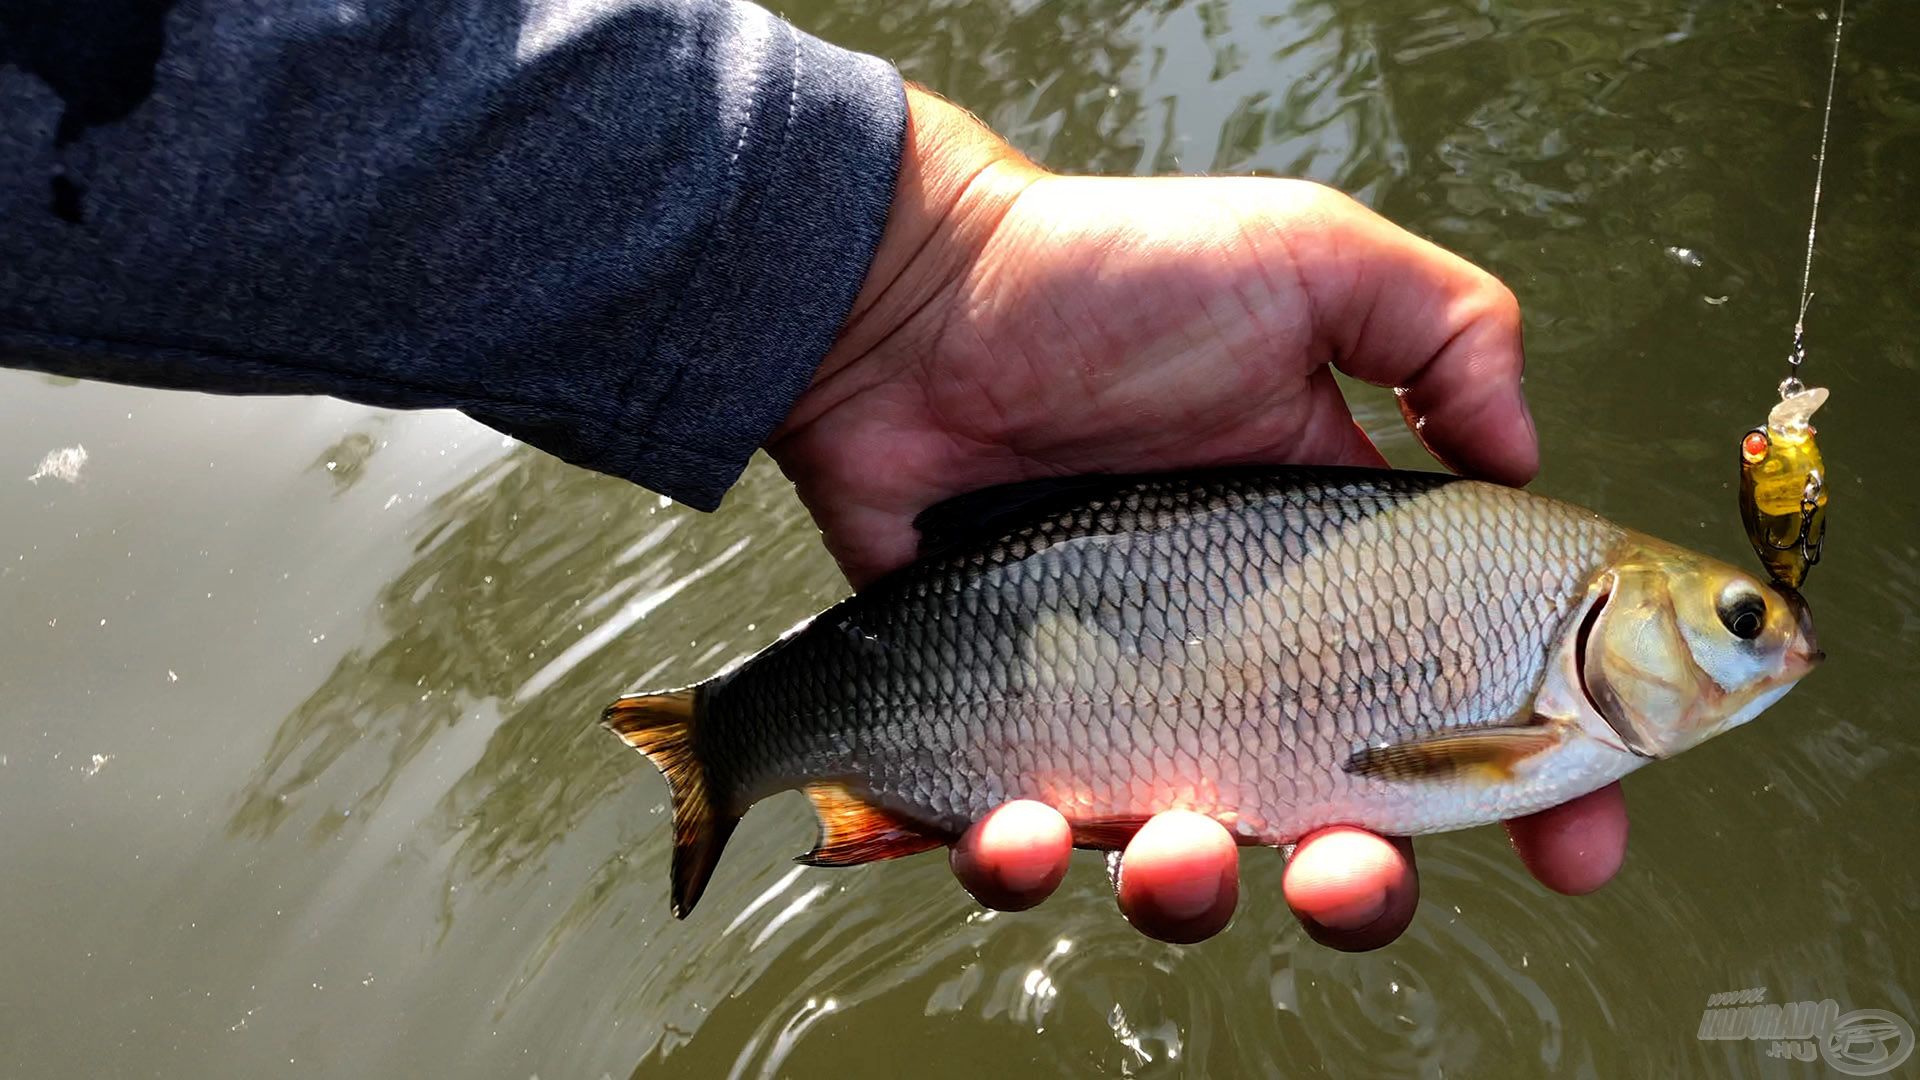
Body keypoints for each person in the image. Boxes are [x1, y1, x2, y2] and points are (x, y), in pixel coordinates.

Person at [0, 0, 1627, 949]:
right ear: (1614, 618)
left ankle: (753, 747)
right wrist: (893, 268)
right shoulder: (1531, 621)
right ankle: (738, 743)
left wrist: (909, 267)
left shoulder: (1519, 586)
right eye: (1747, 625)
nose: (1774, 642)